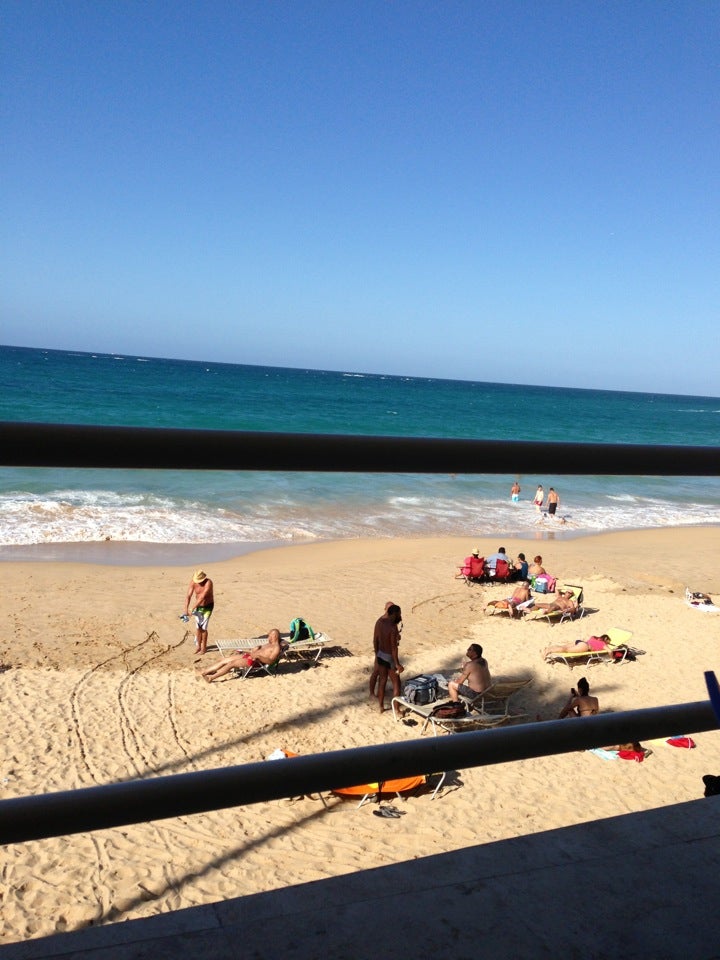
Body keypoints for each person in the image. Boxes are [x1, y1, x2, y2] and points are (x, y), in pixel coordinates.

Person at [201, 628, 284, 683]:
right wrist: (255, 649)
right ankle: (205, 672)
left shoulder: (276, 647)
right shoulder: (268, 644)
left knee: (231, 664)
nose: (268, 636)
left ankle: (211, 678)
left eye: (269, 635)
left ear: (274, 636)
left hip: (256, 662)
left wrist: (259, 657)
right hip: (249, 655)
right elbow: (258, 651)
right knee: (225, 660)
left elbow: (270, 661)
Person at [372, 603, 404, 713]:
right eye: (399, 614)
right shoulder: (392, 628)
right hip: (389, 657)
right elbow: (394, 648)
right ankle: (397, 709)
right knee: (396, 683)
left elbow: (375, 639)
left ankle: (381, 707)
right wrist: (397, 664)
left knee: (382, 681)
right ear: (394, 614)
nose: (400, 616)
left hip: (380, 654)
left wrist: (377, 654)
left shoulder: (380, 622)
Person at [185, 569, 214, 655]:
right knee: (198, 627)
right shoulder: (193, 582)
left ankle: (204, 648)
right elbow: (188, 596)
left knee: (203, 628)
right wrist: (185, 609)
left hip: (207, 607)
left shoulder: (208, 582)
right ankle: (198, 646)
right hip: (198, 607)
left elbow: (202, 597)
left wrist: (192, 609)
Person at [543, 633, 611, 660]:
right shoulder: (602, 643)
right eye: (608, 642)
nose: (608, 644)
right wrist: (612, 658)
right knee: (566, 650)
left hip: (580, 642)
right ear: (605, 639)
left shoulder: (594, 637)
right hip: (584, 646)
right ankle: (548, 651)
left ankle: (548, 648)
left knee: (564, 646)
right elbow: (609, 651)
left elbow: (587, 640)